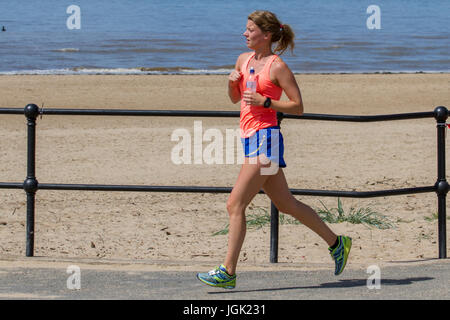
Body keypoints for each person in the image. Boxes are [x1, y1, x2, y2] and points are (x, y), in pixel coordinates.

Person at [197, 10, 352, 289]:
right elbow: (235, 100)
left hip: (266, 139)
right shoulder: (243, 60)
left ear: (266, 35)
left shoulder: (277, 67)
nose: (244, 34)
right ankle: (337, 243)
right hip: (248, 137)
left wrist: (266, 102)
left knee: (235, 204)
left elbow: (298, 106)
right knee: (286, 204)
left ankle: (228, 271)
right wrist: (232, 82)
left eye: (250, 30)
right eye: (245, 29)